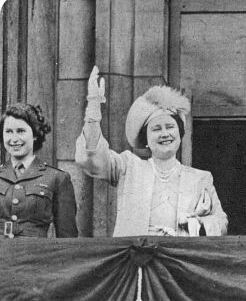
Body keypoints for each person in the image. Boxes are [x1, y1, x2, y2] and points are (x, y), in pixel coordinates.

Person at [75, 66, 227, 237]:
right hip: (137, 259)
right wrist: (93, 109)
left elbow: (221, 223)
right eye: (156, 129)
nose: (164, 134)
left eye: (170, 127)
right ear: (145, 139)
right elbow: (92, 159)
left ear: (180, 133)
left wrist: (196, 224)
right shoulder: (128, 167)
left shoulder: (200, 178)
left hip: (179, 260)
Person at [0, 103, 78, 238]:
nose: (14, 139)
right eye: (8, 132)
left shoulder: (56, 178)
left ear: (35, 134)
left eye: (21, 131)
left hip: (34, 257)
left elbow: (67, 239)